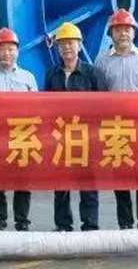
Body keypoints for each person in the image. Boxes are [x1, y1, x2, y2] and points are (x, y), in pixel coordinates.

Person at [95, 9, 138, 229]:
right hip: (116, 128)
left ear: (133, 32)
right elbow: (99, 96)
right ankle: (125, 223)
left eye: (127, 29)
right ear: (111, 33)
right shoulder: (102, 60)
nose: (123, 33)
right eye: (118, 30)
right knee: (120, 177)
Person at [0, 27, 37, 231]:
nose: (6, 53)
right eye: (2, 49)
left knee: (23, 181)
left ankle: (22, 221)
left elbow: (37, 108)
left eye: (10, 49)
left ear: (17, 51)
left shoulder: (28, 78)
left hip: (22, 135)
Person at [44, 22, 100, 232]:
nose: (67, 47)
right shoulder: (52, 74)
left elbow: (103, 105)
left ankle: (90, 225)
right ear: (58, 48)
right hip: (60, 138)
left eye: (71, 43)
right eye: (62, 43)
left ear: (79, 45)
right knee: (61, 185)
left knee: (88, 185)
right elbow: (46, 106)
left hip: (86, 137)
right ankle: (63, 225)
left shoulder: (91, 73)